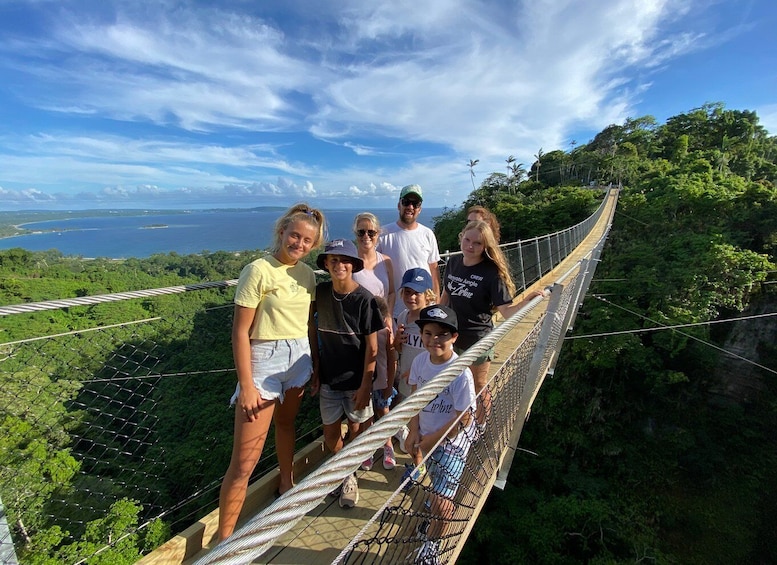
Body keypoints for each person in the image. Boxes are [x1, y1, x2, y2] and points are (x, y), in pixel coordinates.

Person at [218, 204, 326, 541]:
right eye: (295, 235)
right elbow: (240, 332)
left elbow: (309, 323)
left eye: (307, 240)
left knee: (286, 424)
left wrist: (316, 365)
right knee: (244, 463)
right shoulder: (258, 270)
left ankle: (286, 483)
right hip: (263, 360)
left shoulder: (307, 274)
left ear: (313, 245)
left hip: (299, 358)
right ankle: (223, 542)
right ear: (282, 232)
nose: (300, 244)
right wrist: (246, 384)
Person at [441, 220, 546, 424]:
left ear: (485, 247)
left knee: (478, 385)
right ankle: (461, 426)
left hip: (478, 339)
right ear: (461, 236)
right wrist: (434, 323)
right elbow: (446, 296)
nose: (470, 246)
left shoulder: (491, 273)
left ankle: (481, 425)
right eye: (468, 239)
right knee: (455, 385)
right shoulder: (453, 262)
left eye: (477, 243)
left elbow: (506, 311)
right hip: (452, 336)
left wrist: (527, 301)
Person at [310, 238, 385, 509]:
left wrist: (366, 385)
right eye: (333, 260)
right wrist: (316, 368)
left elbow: (372, 347)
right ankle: (346, 470)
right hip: (330, 377)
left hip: (355, 380)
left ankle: (347, 475)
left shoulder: (364, 300)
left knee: (357, 429)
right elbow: (312, 329)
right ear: (326, 265)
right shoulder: (320, 293)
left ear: (353, 265)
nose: (338, 265)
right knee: (331, 435)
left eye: (344, 260)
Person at [404, 304, 476, 563]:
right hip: (427, 437)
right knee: (434, 491)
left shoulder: (460, 373)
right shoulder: (421, 361)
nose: (434, 339)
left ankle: (432, 545)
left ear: (454, 337)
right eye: (428, 333)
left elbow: (464, 417)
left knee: (444, 509)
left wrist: (429, 442)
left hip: (450, 447)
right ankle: (431, 508)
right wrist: (414, 430)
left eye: (442, 334)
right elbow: (415, 398)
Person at [378, 184, 441, 318]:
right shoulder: (383, 234)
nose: (410, 207)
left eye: (415, 204)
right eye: (406, 202)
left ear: (420, 209)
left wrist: (436, 303)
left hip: (424, 309)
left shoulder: (427, 234)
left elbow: (434, 270)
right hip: (393, 310)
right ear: (399, 205)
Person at [359, 296, 398, 471]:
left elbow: (392, 360)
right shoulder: (361, 334)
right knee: (366, 418)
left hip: (382, 383)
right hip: (366, 385)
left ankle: (388, 445)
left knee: (384, 413)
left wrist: (389, 385)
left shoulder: (386, 333)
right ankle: (368, 450)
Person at [352, 212, 396, 316]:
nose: (366, 236)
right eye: (361, 232)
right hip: (359, 322)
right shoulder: (350, 262)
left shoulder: (386, 261)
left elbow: (391, 293)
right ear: (356, 234)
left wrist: (388, 316)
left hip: (383, 322)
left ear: (378, 233)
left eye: (371, 232)